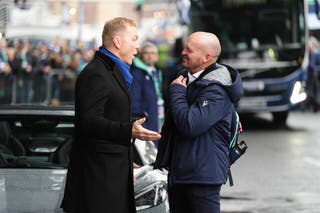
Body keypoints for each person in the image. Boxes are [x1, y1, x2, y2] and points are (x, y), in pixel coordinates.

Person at [61, 17, 161, 213]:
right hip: (99, 181)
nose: (137, 47)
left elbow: (110, 117)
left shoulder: (113, 71)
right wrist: (129, 130)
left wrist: (125, 160)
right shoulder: (96, 73)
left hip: (112, 173)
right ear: (117, 41)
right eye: (134, 39)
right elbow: (89, 121)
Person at [159, 32, 243, 213]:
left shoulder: (216, 90)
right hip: (181, 174)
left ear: (207, 57)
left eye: (189, 50)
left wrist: (177, 93)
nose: (183, 52)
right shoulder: (185, 78)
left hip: (203, 178)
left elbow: (190, 125)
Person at [130, 42, 164, 146]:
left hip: (158, 113)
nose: (150, 56)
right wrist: (139, 117)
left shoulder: (157, 72)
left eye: (153, 53)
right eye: (146, 53)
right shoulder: (137, 73)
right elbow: (134, 98)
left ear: (157, 56)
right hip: (145, 116)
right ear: (141, 55)